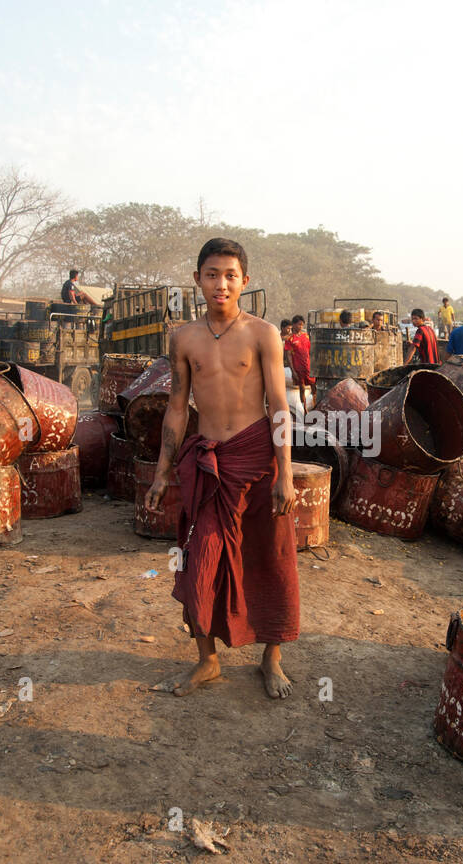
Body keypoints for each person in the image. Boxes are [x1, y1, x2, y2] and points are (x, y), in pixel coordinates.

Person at [146, 238, 299, 700]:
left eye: (231, 276)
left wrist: (286, 473)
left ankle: (271, 658)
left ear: (244, 282)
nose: (221, 284)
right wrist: (160, 471)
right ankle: (207, 660)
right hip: (211, 464)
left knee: (269, 558)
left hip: (256, 461)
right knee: (200, 562)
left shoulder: (263, 334)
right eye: (212, 274)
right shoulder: (184, 338)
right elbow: (177, 408)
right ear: (197, 279)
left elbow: (278, 406)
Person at [287, 315, 314, 409]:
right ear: (293, 325)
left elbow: (310, 351)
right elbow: (289, 355)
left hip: (309, 366)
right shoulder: (290, 339)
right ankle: (304, 409)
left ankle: (315, 407)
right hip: (298, 368)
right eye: (299, 324)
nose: (300, 327)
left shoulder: (306, 336)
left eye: (302, 325)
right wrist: (293, 371)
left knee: (314, 386)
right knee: (302, 388)